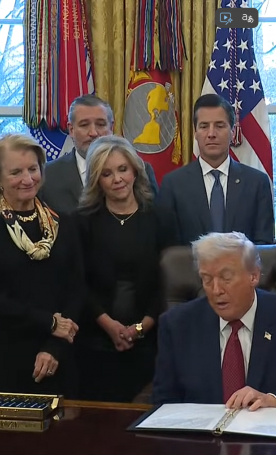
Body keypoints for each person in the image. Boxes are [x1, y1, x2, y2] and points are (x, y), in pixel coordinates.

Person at [151, 232, 276, 412]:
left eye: (226, 278)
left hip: (268, 430)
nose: (216, 290)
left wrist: (272, 400)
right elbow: (164, 399)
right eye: (207, 279)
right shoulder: (177, 325)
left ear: (253, 276)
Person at [0, 133, 84, 397]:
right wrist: (48, 322)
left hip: (57, 351)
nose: (28, 179)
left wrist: (54, 346)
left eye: (33, 169)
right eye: (16, 172)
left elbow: (76, 288)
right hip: (1, 354)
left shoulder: (64, 223)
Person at [74, 136, 177, 402]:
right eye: (107, 173)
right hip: (94, 342)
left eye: (122, 169)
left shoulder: (160, 218)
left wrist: (142, 327)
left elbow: (170, 283)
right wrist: (109, 325)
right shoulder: (82, 222)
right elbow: (77, 282)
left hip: (151, 341)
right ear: (96, 179)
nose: (117, 179)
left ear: (135, 171)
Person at [157, 94, 275, 245]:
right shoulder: (173, 184)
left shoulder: (257, 183)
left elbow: (264, 245)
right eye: (204, 126)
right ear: (195, 133)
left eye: (219, 126)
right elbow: (169, 249)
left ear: (232, 132)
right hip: (191, 261)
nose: (211, 134)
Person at [40, 95, 159, 215]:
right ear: (71, 129)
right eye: (84, 125)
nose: (93, 133)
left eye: (101, 124)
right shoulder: (48, 175)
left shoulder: (141, 169)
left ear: (111, 127)